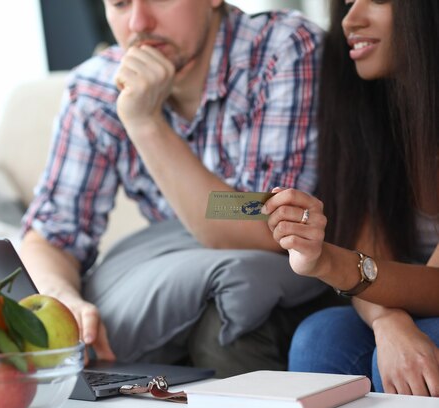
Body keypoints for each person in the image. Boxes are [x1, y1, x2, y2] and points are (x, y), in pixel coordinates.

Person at [20, 0, 336, 376]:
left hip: (294, 277)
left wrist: (145, 124)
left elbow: (273, 221)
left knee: (225, 326)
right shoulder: (95, 87)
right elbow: (51, 236)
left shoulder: (284, 49)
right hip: (182, 281)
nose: (139, 22)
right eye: (120, 4)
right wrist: (61, 298)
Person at [263, 0, 439, 397]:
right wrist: (388, 320)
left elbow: (435, 286)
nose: (349, 19)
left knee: (410, 349)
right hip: (402, 299)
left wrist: (326, 260)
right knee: (318, 337)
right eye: (346, 1)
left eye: (376, 0)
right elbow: (370, 252)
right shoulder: (366, 110)